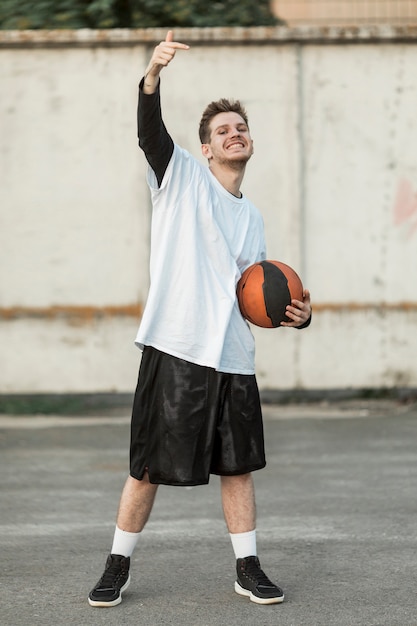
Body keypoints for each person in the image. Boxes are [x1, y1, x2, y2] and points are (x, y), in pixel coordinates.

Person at [88, 31, 311, 608]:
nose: (233, 133)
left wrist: (296, 315)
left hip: (233, 354)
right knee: (147, 468)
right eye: (221, 131)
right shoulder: (180, 177)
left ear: (250, 142)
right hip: (176, 344)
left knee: (239, 469)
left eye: (240, 127)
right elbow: (148, 134)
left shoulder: (253, 217)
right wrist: (152, 77)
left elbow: (254, 294)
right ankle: (117, 565)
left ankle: (248, 567)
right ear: (207, 149)